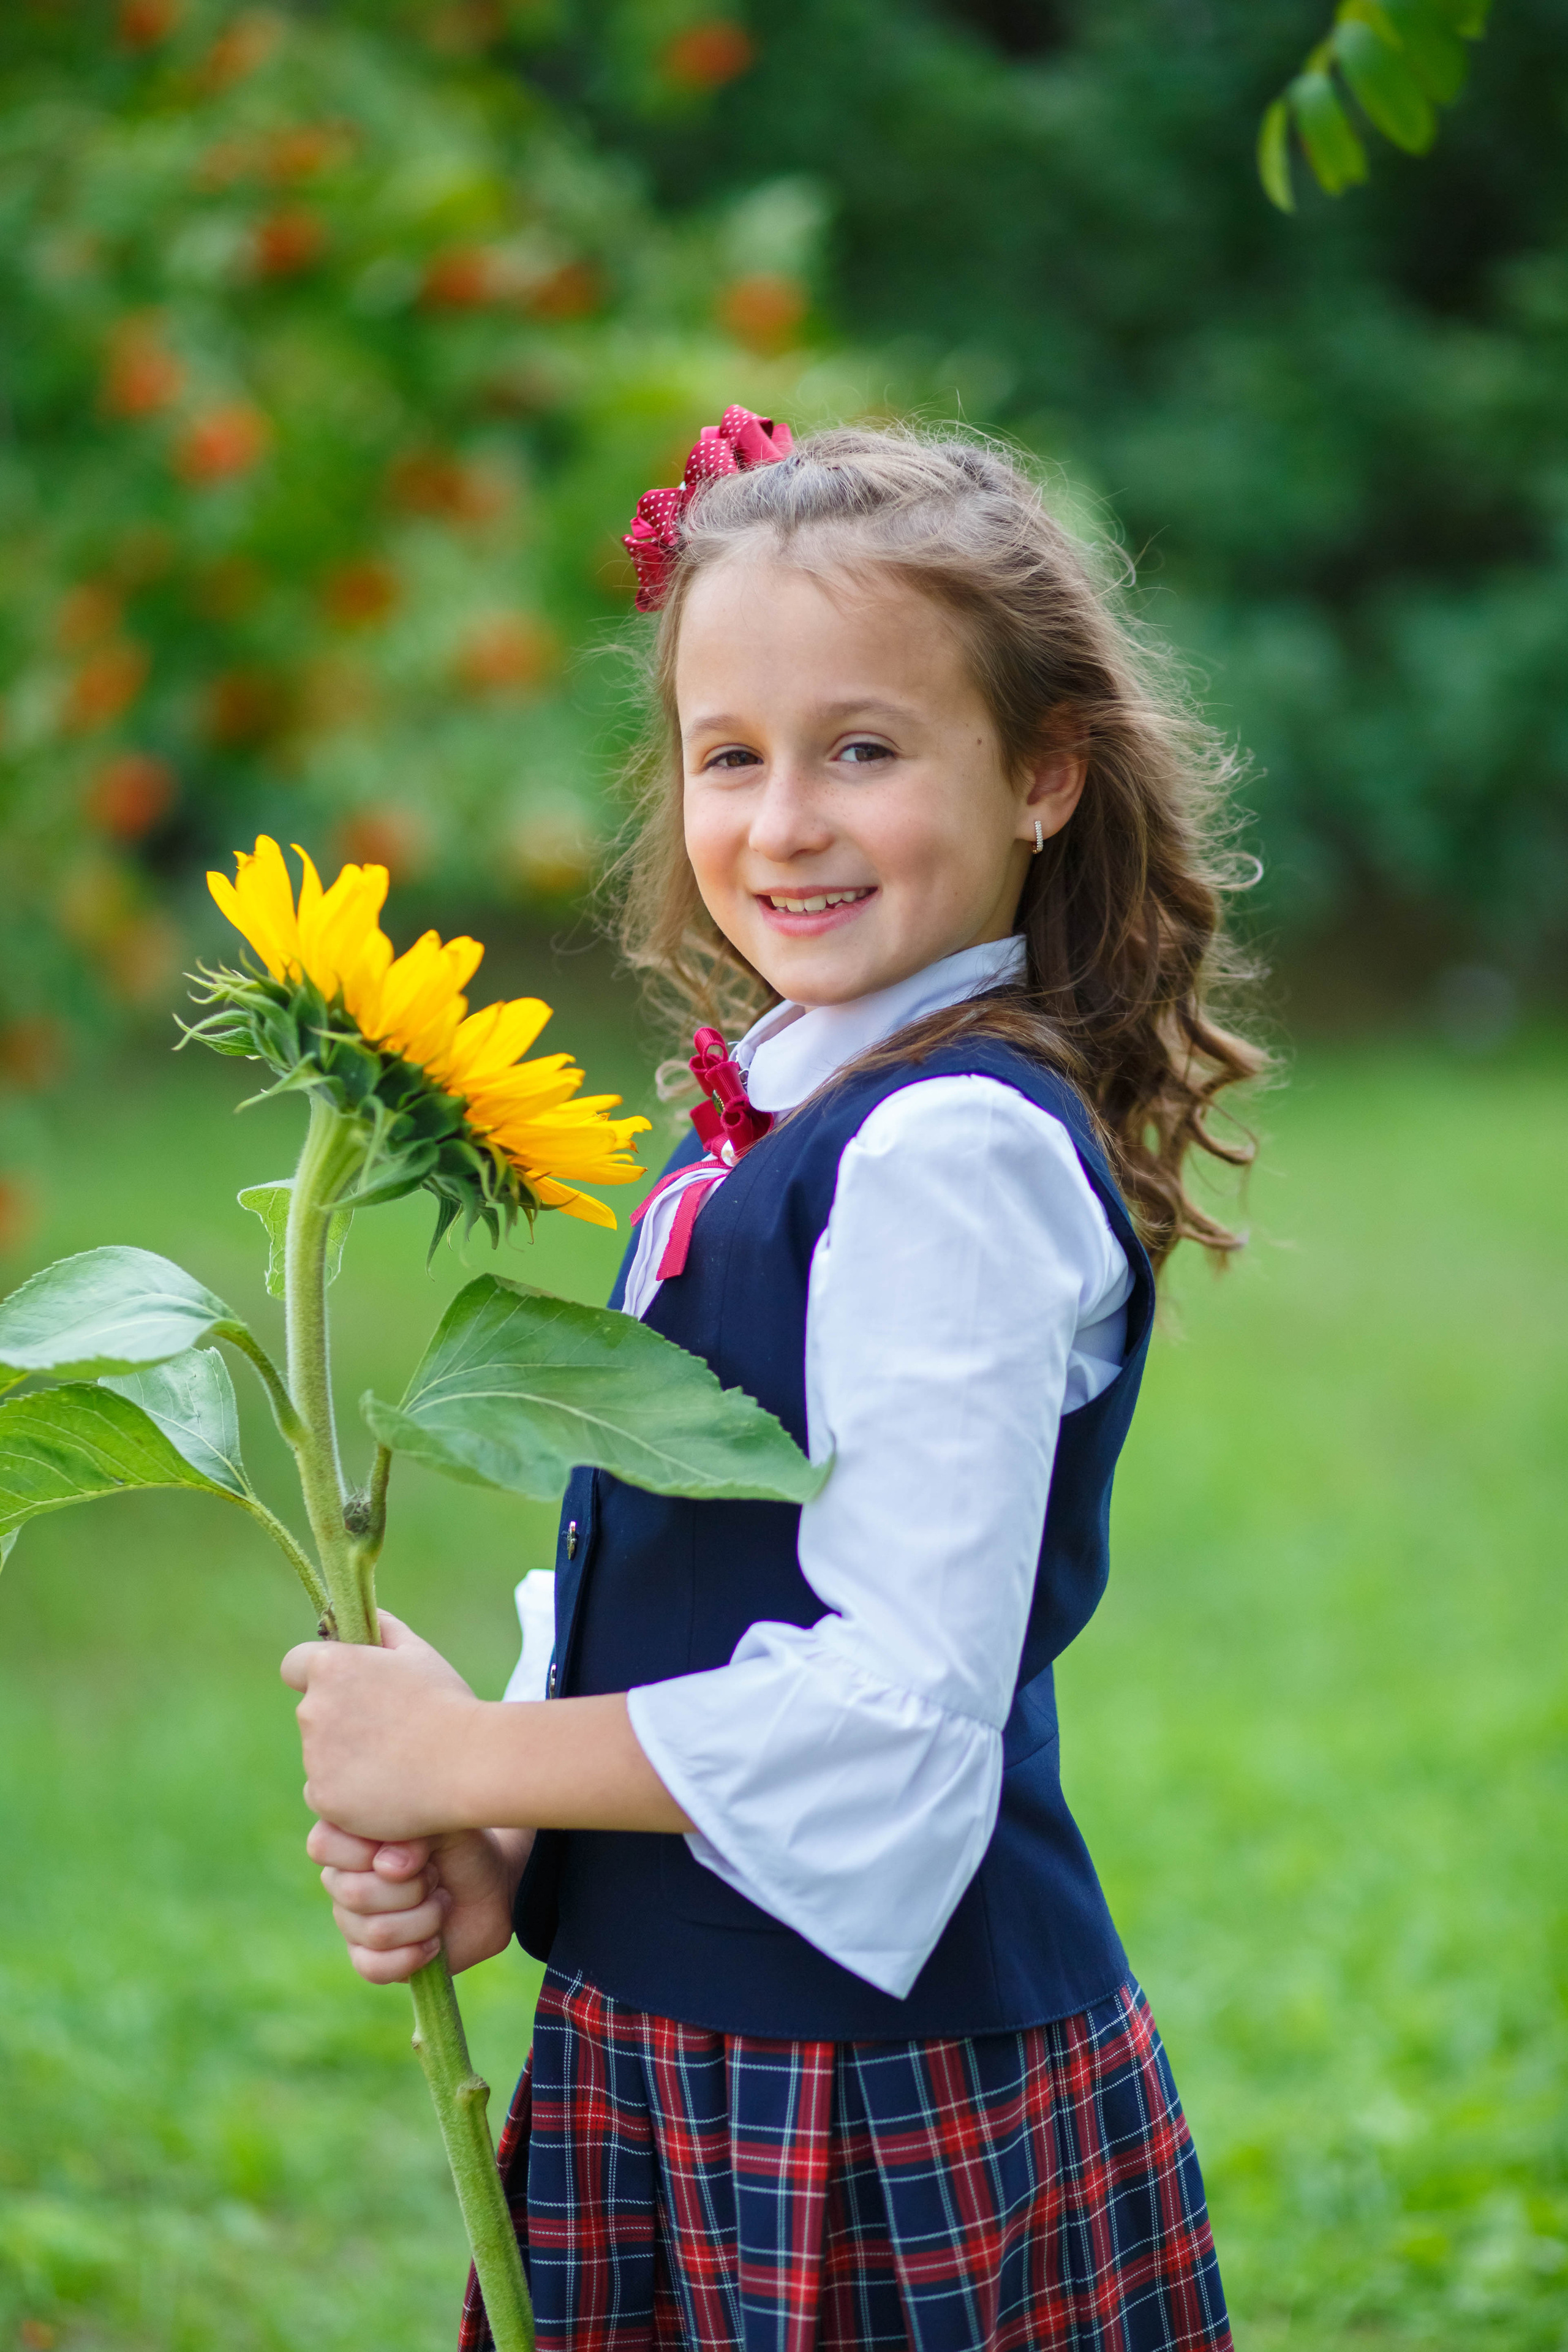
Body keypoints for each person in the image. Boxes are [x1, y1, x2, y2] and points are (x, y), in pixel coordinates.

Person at [284, 410, 1268, 2352]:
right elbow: (709, 1567)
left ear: (1046, 772)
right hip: (665, 2049)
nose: (784, 821)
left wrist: (463, 1757)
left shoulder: (945, 1156)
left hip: (861, 2103)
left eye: (866, 749)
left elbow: (903, 1721)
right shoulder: (777, 1119)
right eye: (730, 756)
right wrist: (504, 1842)